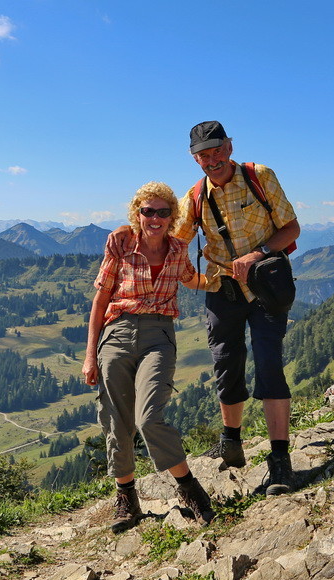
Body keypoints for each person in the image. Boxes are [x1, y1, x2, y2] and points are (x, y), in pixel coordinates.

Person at [108, 121, 301, 496]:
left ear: (229, 146)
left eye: (216, 150)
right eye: (203, 154)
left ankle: (280, 461)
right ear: (193, 158)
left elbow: (291, 228)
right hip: (221, 290)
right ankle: (232, 443)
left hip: (266, 287)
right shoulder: (195, 197)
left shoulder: (259, 176)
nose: (211, 160)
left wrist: (258, 253)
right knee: (226, 365)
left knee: (269, 366)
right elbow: (164, 230)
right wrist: (127, 231)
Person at [83, 181, 215, 531]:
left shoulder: (177, 249)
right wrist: (89, 356)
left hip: (159, 335)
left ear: (172, 216)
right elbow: (100, 299)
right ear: (137, 214)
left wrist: (230, 275)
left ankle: (190, 489)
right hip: (116, 333)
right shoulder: (121, 246)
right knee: (116, 419)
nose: (154, 218)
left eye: (163, 211)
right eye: (147, 211)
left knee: (148, 418)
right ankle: (126, 498)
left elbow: (191, 279)